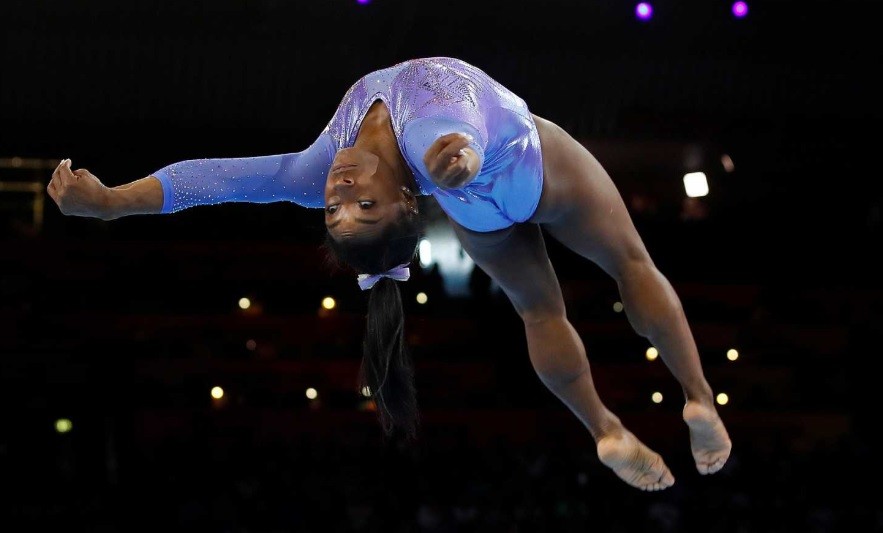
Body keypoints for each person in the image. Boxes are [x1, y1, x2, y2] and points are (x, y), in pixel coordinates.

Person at [46, 56, 731, 491]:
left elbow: (217, 180)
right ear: (405, 204)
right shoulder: (427, 138)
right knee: (628, 261)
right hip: (530, 168)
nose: (339, 191)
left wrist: (110, 204)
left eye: (336, 209)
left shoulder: (321, 169)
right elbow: (445, 126)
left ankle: (613, 424)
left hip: (468, 198)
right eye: (362, 204)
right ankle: (687, 398)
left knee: (538, 309)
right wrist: (453, 157)